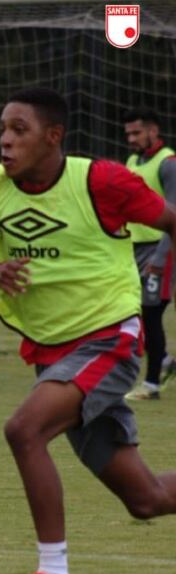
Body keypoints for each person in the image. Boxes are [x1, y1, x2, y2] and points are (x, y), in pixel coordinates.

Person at [0, 88, 176, 574]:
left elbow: (171, 220)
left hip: (109, 339)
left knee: (23, 430)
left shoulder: (101, 180)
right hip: (53, 356)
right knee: (145, 500)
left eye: (19, 129)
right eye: (3, 128)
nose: (5, 140)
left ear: (54, 137)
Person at [122, 108, 176, 399]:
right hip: (135, 249)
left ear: (153, 131)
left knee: (150, 314)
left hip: (162, 248)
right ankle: (166, 362)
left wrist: (159, 260)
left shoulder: (168, 163)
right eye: (128, 134)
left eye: (136, 133)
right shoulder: (132, 161)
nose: (131, 139)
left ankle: (152, 385)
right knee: (136, 313)